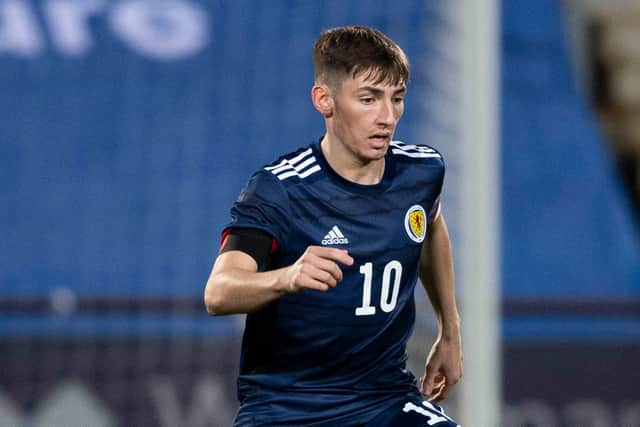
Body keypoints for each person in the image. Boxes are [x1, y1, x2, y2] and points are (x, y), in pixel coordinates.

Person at [204, 25, 463, 427]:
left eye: (397, 99)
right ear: (324, 100)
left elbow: (430, 225)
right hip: (287, 407)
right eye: (368, 99)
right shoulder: (280, 189)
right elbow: (218, 292)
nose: (387, 117)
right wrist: (287, 277)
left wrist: (450, 329)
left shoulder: (422, 171)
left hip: (384, 397)